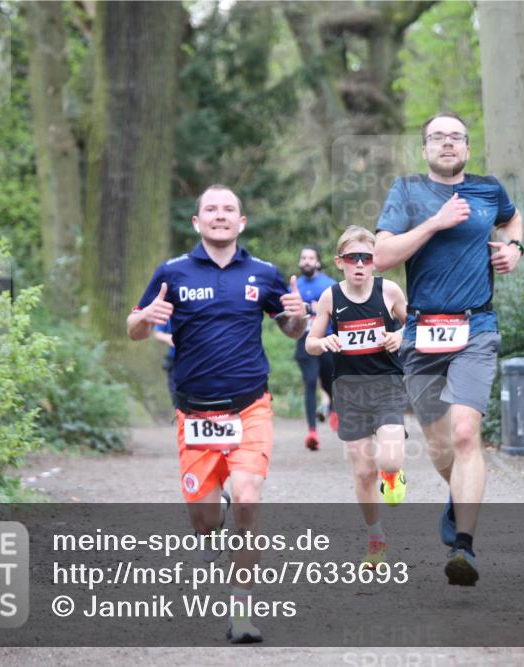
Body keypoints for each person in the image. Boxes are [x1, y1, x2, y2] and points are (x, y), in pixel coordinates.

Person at [127, 184, 307, 643]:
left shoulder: (265, 273)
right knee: (204, 524)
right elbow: (132, 329)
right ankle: (214, 514)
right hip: (195, 414)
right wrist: (146, 316)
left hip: (250, 406)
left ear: (241, 222)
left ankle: (242, 612)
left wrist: (298, 318)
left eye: (229, 209)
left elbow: (288, 329)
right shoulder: (173, 272)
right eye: (212, 209)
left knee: (249, 496)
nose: (221, 215)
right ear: (197, 221)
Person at [373, 112, 524, 586]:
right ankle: (460, 498)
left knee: (464, 434)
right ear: (424, 149)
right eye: (437, 137)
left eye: (456, 137)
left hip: (475, 327)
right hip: (421, 331)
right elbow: (381, 256)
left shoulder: (487, 189)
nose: (447, 143)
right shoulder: (407, 191)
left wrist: (514, 248)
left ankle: (465, 547)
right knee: (440, 446)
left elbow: (512, 218)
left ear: (466, 148)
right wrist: (435, 223)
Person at [305, 226, 408, 569]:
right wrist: (324, 343)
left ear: (376, 262)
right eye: (353, 258)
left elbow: (416, 325)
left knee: (389, 460)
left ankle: (393, 477)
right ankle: (375, 538)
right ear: (340, 262)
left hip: (387, 385)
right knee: (364, 471)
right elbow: (310, 341)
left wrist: (401, 337)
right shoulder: (331, 298)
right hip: (348, 390)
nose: (360, 264)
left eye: (367, 257)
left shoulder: (389, 291)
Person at [295, 245, 337, 450]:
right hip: (304, 342)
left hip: (328, 341)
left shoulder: (330, 285)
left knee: (330, 383)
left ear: (318, 262)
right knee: (310, 382)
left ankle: (335, 409)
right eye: (303, 258)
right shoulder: (294, 288)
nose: (307, 261)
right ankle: (312, 431)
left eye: (311, 258)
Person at [153, 320, 177, 406]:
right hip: (175, 363)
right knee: (176, 397)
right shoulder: (168, 311)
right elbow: (157, 333)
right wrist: (169, 338)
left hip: (197, 361)